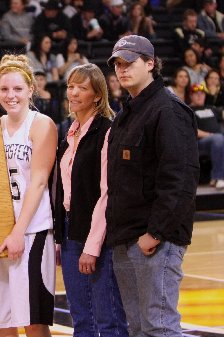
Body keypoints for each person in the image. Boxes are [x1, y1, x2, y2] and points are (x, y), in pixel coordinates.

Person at [106, 34, 199, 337]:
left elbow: (180, 179)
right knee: (139, 330)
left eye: (129, 62)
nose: (122, 69)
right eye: (117, 64)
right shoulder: (126, 115)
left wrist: (155, 232)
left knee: (160, 328)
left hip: (154, 240)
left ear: (150, 64)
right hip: (126, 238)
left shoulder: (169, 110)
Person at [0, 54, 57, 337]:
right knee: (1, 316)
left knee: (33, 319)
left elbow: (39, 182)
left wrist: (18, 231)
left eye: (18, 89)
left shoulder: (42, 124)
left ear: (31, 89)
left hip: (31, 230)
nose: (11, 95)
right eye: (4, 89)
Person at [55, 63, 128, 337]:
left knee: (108, 320)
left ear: (97, 95)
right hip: (70, 229)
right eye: (70, 86)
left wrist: (92, 246)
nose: (73, 93)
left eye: (81, 88)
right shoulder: (69, 132)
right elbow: (63, 191)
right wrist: (61, 238)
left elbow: (107, 193)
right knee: (82, 320)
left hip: (100, 235)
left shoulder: (108, 131)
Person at [188, 82, 224, 189]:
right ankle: (218, 177)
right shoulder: (188, 110)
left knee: (219, 139)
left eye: (202, 93)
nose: (200, 96)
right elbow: (190, 129)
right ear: (191, 96)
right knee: (218, 139)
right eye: (196, 93)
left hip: (218, 139)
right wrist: (209, 135)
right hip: (200, 142)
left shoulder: (211, 108)